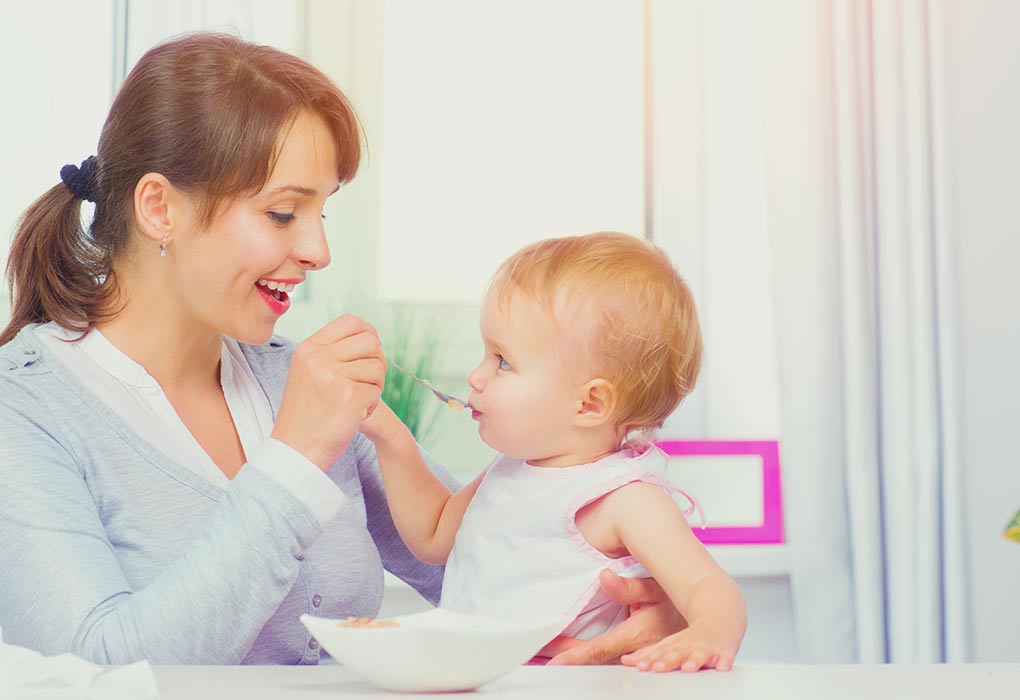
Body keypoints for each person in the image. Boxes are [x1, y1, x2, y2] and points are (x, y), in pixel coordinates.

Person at [0, 33, 684, 666]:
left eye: (321, 212)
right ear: (159, 208)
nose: (318, 251)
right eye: (281, 213)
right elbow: (94, 670)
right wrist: (292, 459)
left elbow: (490, 560)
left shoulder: (289, 380)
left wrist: (635, 608)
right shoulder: (25, 409)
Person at [360, 232, 748, 673]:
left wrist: (710, 631)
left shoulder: (623, 499)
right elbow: (431, 536)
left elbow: (707, 585)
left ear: (589, 404)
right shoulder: (509, 472)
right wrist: (388, 435)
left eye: (502, 361)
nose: (475, 375)